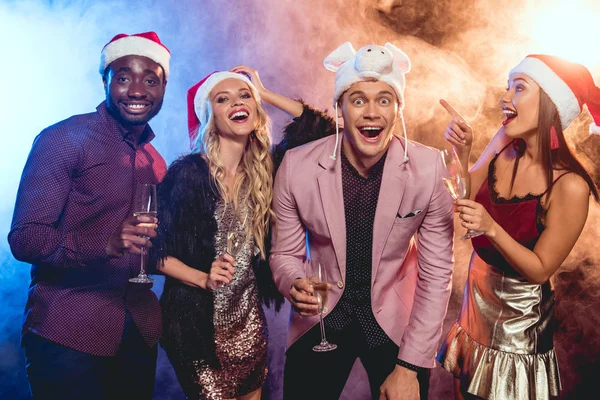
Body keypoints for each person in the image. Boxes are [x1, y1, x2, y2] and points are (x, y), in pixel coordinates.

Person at [269, 42, 455, 400]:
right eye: (358, 100)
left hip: (396, 325)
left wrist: (410, 367)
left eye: (384, 100)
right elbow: (284, 255)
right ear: (340, 108)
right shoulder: (296, 166)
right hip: (321, 322)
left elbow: (436, 276)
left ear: (398, 108)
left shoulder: (430, 169)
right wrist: (293, 282)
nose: (372, 113)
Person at [151, 66, 330, 400]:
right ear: (210, 115)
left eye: (244, 95)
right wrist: (202, 277)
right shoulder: (187, 174)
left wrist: (264, 92)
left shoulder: (269, 168)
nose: (237, 101)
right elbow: (151, 251)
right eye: (223, 98)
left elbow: (323, 131)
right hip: (196, 328)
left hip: (249, 323)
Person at [8, 32, 170, 400]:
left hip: (139, 334)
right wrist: (106, 243)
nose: (137, 90)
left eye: (150, 79)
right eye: (124, 77)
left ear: (163, 87)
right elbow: (25, 238)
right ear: (105, 81)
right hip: (68, 334)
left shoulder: (155, 162)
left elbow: (151, 253)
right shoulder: (64, 139)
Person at [436, 54, 600, 400]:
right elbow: (464, 189)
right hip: (475, 308)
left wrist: (491, 228)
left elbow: (540, 270)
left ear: (550, 105)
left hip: (515, 329)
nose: (505, 96)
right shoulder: (504, 142)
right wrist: (462, 153)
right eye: (508, 86)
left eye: (519, 88)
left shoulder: (570, 186)